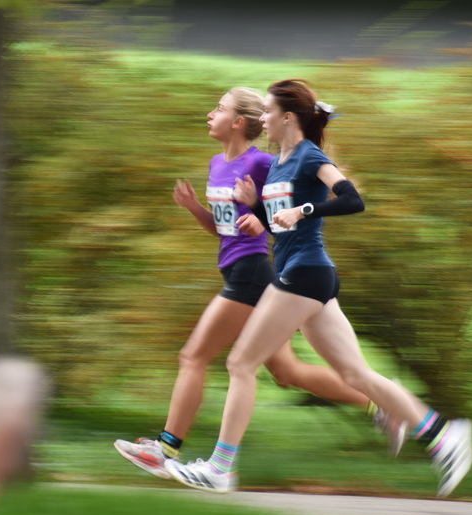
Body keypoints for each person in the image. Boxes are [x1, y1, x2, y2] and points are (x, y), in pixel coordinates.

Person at [162, 79, 472, 498]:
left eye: (268, 113)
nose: (263, 120)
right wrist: (255, 207)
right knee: (355, 374)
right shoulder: (277, 163)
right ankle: (443, 435)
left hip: (305, 274)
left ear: (288, 118)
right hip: (305, 274)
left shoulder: (309, 155)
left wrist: (304, 209)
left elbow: (350, 198)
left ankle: (221, 467)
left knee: (240, 364)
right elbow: (278, 223)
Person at [114, 87, 401, 483]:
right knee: (287, 372)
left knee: (194, 355)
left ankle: (164, 450)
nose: (209, 113)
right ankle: (382, 404)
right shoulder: (217, 164)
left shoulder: (264, 162)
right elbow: (223, 230)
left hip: (254, 271)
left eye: (218, 108)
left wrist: (265, 214)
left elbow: (288, 200)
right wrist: (196, 207)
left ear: (238, 122)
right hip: (236, 269)